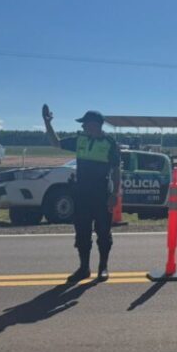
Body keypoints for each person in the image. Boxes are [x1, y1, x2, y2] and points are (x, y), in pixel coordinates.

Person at [43, 105, 120, 282]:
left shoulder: (110, 144)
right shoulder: (80, 140)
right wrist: (48, 124)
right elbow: (56, 143)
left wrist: (115, 193)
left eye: (85, 123)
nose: (83, 126)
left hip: (102, 194)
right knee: (82, 233)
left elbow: (116, 170)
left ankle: (103, 267)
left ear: (95, 125)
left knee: (103, 233)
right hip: (82, 194)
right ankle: (84, 268)